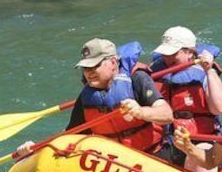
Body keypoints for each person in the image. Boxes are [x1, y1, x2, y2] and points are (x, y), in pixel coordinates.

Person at [17, 38, 173, 158]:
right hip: (118, 163)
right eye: (86, 68)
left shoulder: (137, 79)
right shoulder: (87, 97)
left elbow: (167, 114)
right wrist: (36, 149)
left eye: (95, 65)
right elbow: (70, 136)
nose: (89, 72)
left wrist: (140, 112)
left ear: (113, 62)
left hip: (154, 154)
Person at [149, 26, 222, 172]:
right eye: (165, 53)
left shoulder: (203, 73)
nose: (167, 58)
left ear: (190, 52)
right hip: (168, 141)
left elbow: (220, 108)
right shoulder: (157, 70)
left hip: (200, 142)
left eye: (173, 53)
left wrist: (209, 71)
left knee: (201, 166)